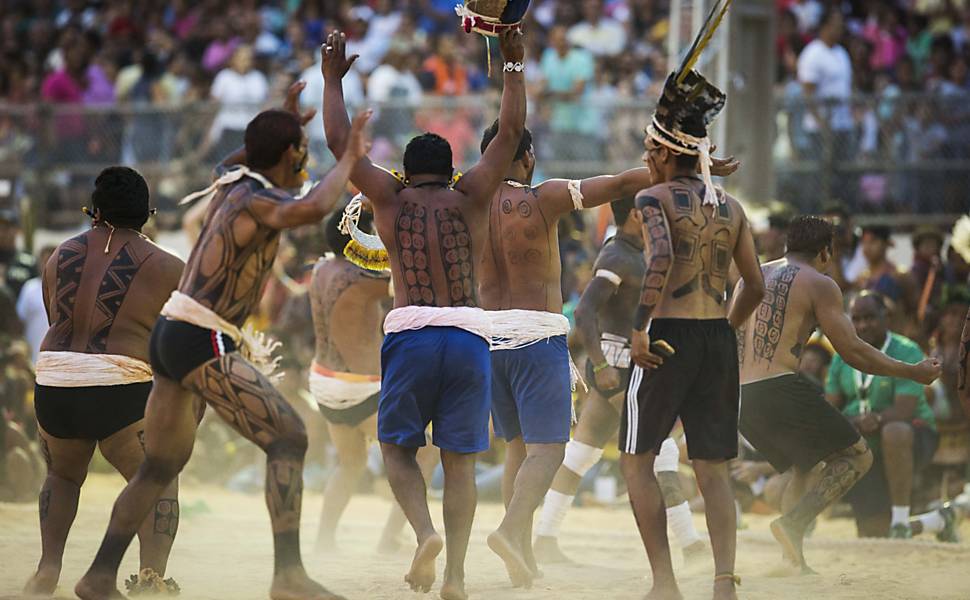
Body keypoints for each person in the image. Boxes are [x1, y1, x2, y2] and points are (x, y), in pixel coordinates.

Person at [74, 80, 371, 600]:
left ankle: (98, 575)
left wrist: (280, 121)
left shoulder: (231, 182)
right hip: (199, 335)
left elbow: (248, 159)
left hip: (175, 332)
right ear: (290, 155)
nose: (306, 160)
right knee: (289, 438)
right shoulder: (257, 200)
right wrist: (349, 156)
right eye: (301, 152)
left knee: (159, 466)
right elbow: (311, 208)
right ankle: (289, 577)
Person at [478, 115, 735, 586]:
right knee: (556, 451)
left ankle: (529, 546)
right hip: (541, 336)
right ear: (529, 157)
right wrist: (691, 170)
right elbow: (618, 182)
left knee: (532, 448)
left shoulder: (467, 201)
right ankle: (514, 529)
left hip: (487, 337)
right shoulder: (544, 199)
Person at [323, 29, 525, 600]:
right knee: (459, 463)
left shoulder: (390, 198)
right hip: (467, 334)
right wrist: (513, 67)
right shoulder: (474, 195)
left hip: (411, 332)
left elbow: (340, 141)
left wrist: (333, 80)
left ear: (407, 173)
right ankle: (456, 576)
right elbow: (509, 132)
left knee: (395, 449)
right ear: (454, 169)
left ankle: (424, 533)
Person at [621, 66, 766, 600]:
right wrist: (725, 328)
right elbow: (753, 284)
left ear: (663, 154)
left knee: (636, 458)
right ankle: (724, 581)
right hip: (715, 338)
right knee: (713, 467)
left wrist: (639, 327)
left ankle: (664, 583)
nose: (644, 158)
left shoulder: (651, 201)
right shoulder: (732, 207)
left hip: (666, 337)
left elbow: (659, 256)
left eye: (647, 149)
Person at [737, 217, 940, 574]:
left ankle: (791, 561)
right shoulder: (819, 282)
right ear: (826, 252)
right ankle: (794, 523)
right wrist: (912, 371)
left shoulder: (751, 275)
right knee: (857, 457)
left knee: (806, 465)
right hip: (779, 385)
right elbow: (852, 351)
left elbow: (730, 334)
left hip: (741, 393)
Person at [25, 167, 185, 595]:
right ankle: (150, 579)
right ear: (147, 214)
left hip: (55, 381)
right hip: (121, 388)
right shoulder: (168, 266)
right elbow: (177, 340)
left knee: (61, 476)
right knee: (160, 476)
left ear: (94, 212)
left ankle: (47, 570)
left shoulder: (58, 255)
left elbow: (55, 317)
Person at [532, 199, 706, 566]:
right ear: (638, 216)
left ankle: (544, 537)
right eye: (654, 215)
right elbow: (583, 310)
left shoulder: (632, 254)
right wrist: (600, 364)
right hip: (617, 366)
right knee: (662, 450)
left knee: (582, 454)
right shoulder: (619, 257)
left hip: (621, 363)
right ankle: (691, 544)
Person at [309, 206, 437, 553]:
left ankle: (324, 539)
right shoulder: (365, 279)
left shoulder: (321, 268)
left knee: (351, 463)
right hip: (358, 386)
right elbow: (413, 280)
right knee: (427, 453)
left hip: (323, 382)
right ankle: (389, 538)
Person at [826, 292, 943, 538]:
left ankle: (901, 519)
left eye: (870, 317)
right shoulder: (841, 356)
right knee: (873, 533)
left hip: (911, 436)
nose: (862, 325)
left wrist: (876, 419)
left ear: (886, 317)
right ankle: (939, 520)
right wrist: (855, 422)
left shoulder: (907, 350)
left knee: (895, 430)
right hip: (865, 444)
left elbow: (905, 409)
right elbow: (830, 410)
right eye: (856, 319)